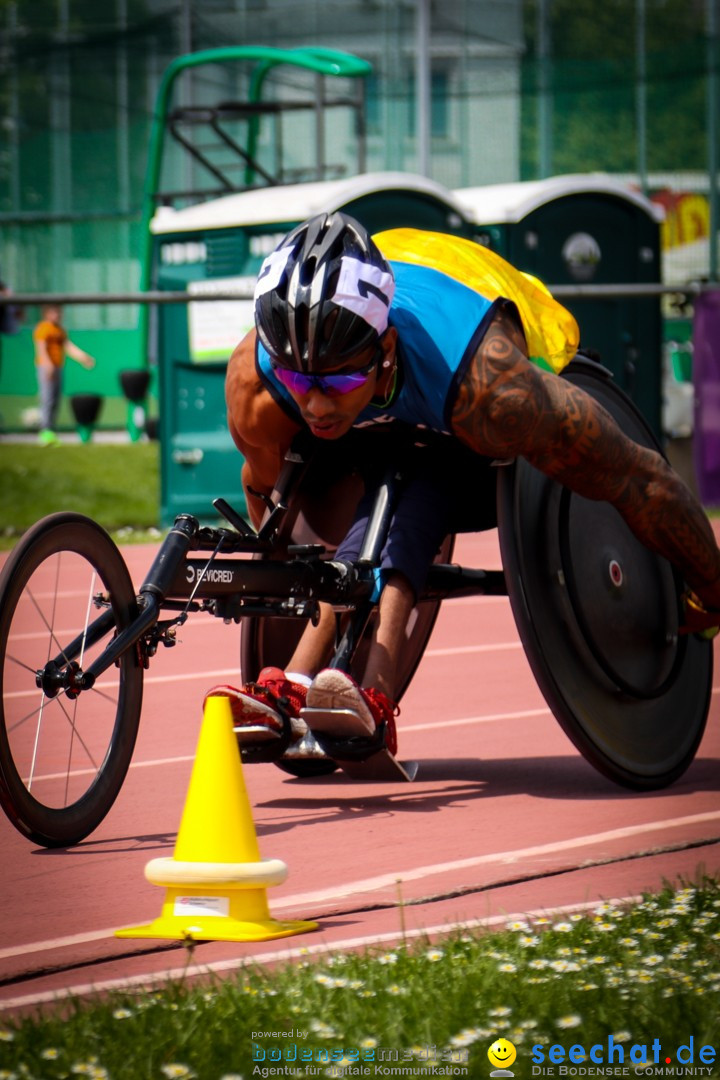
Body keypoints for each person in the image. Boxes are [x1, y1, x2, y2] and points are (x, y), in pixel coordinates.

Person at [206, 211, 720, 761]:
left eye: (338, 380)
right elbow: (270, 497)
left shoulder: (494, 390)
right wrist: (287, 580)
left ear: (385, 351)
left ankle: (359, 680)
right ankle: (301, 680)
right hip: (396, 369)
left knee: (427, 473)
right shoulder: (258, 384)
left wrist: (710, 589)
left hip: (474, 345)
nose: (314, 404)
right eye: (297, 381)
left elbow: (637, 476)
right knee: (382, 463)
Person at [33, 303, 95, 445]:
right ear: (47, 313)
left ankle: (51, 431)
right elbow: (41, 348)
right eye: (54, 312)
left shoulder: (60, 330)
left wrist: (83, 358)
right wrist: (47, 365)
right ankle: (44, 432)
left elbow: (68, 346)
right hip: (46, 367)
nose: (58, 315)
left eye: (59, 313)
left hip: (58, 367)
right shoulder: (43, 328)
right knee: (47, 398)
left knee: (55, 400)